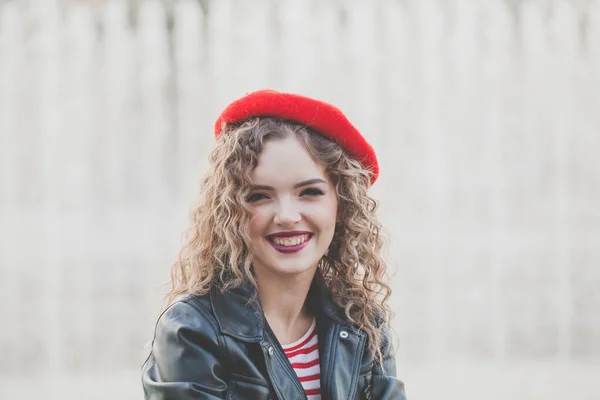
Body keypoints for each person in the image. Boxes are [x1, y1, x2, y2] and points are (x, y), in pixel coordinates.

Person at [141, 90, 407, 399]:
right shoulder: (192, 330)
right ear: (230, 213)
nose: (287, 216)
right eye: (259, 196)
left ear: (342, 205)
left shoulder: (362, 324)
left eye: (309, 192)